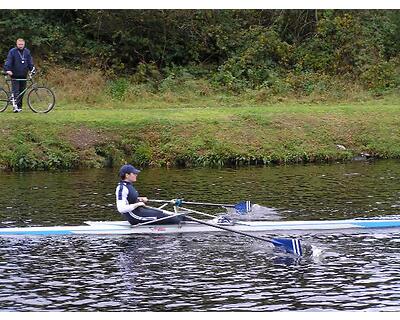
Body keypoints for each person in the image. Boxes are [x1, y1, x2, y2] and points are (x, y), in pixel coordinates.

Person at [115, 164, 185, 225]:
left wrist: (139, 199)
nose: (136, 175)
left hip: (140, 211)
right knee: (174, 219)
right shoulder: (121, 188)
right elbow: (121, 208)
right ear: (127, 175)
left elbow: (129, 199)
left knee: (170, 214)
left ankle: (185, 221)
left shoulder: (128, 185)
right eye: (134, 173)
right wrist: (138, 204)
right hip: (135, 216)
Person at [3, 38, 35, 113]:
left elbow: (30, 62)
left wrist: (32, 69)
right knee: (16, 91)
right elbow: (9, 61)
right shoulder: (12, 51)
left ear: (24, 44)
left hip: (24, 75)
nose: (20, 46)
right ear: (16, 44)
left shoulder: (27, 52)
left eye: (22, 44)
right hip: (15, 75)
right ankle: (15, 106)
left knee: (22, 91)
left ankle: (19, 107)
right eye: (19, 44)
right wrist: (8, 69)